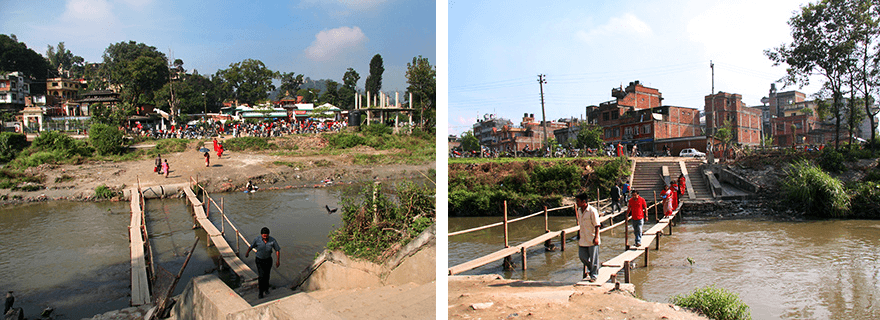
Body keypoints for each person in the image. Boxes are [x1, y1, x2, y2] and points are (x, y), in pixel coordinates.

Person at [245, 227, 281, 299]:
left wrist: (278, 260)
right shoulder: (257, 240)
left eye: (266, 235)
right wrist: (247, 253)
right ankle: (260, 292)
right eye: (264, 236)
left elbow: (277, 250)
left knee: (267, 275)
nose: (265, 237)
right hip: (259, 260)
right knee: (261, 276)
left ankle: (266, 289)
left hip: (268, 260)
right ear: (261, 235)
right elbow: (251, 246)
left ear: (268, 235)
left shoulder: (272, 240)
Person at [574, 192, 600, 282]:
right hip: (583, 238)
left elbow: (597, 225)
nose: (577, 203)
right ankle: (593, 269)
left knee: (594, 258)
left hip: (592, 238)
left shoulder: (592, 211)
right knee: (582, 256)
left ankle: (594, 275)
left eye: (578, 201)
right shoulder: (579, 211)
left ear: (583, 201)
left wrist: (596, 237)